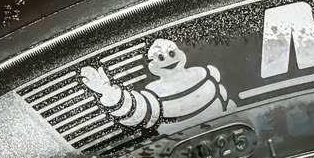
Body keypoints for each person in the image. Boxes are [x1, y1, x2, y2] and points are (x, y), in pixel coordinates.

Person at [79, 38, 232, 135]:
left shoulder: (206, 75)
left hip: (225, 129)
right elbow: (135, 110)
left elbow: (224, 99)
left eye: (171, 53)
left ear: (181, 54)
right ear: (152, 66)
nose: (168, 60)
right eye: (160, 57)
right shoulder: (154, 94)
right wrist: (109, 93)